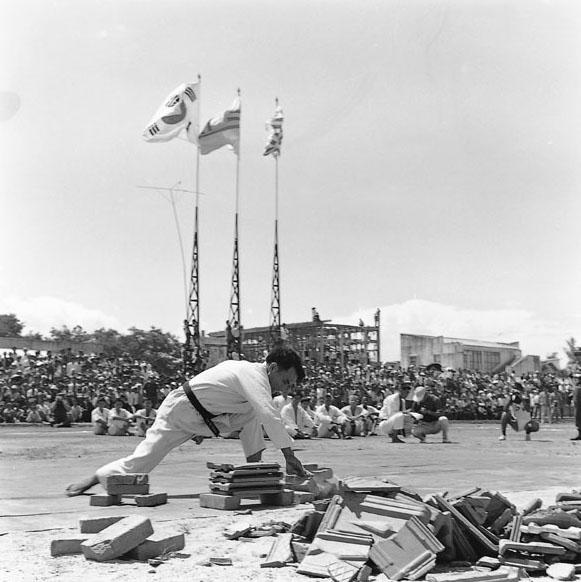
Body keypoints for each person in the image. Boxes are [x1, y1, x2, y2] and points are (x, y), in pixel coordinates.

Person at [65, 346, 310, 496]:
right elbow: (269, 414)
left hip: (208, 419)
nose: (285, 388)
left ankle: (254, 474)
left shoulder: (256, 381)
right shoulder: (251, 374)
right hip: (181, 409)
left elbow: (260, 414)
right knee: (143, 463)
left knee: (253, 414)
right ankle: (98, 476)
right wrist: (289, 456)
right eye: (286, 381)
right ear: (273, 368)